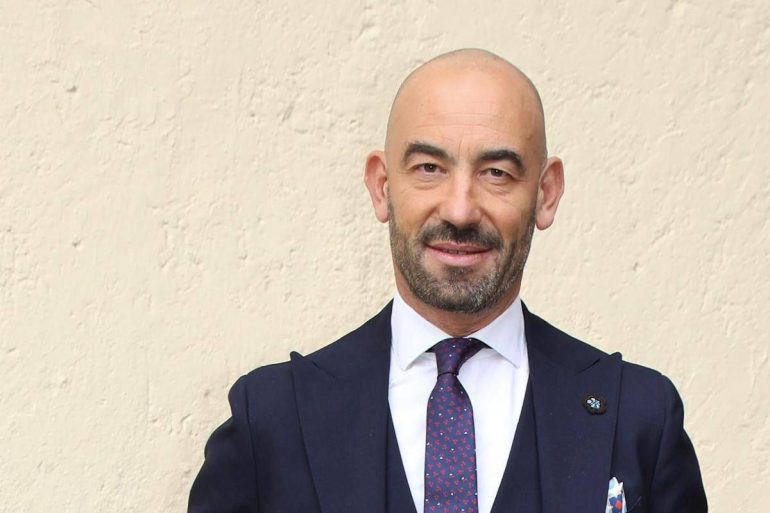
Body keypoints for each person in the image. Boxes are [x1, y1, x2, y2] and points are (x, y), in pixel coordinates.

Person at [188, 49, 707, 513]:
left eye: (496, 173)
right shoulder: (270, 421)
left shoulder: (640, 419)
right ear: (381, 187)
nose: (460, 210)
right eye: (429, 168)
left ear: (546, 194)